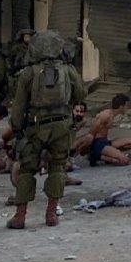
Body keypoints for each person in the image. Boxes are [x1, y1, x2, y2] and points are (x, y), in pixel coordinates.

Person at [7, 30, 86, 229]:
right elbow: (81, 94)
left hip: (35, 126)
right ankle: (51, 214)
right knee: (57, 168)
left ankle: (20, 216)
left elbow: (19, 105)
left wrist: (16, 128)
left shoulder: (28, 73)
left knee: (27, 170)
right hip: (62, 125)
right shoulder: (68, 70)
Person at [88, 94, 131, 166]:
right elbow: (91, 132)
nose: (127, 108)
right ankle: (98, 156)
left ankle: (111, 153)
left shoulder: (113, 115)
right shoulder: (105, 115)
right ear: (121, 107)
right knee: (125, 160)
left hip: (106, 141)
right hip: (98, 144)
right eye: (126, 106)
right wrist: (89, 147)